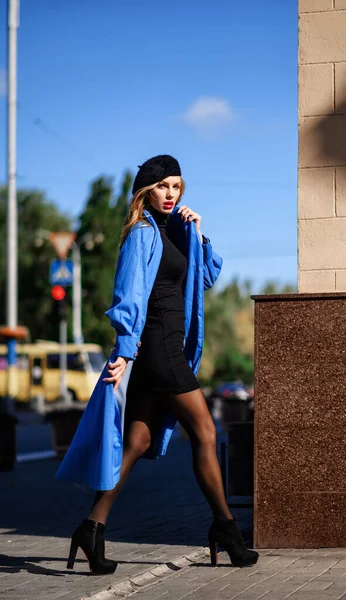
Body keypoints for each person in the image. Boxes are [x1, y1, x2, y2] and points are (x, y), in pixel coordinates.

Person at [56, 155, 258, 574]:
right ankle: (227, 528)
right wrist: (125, 351)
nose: (171, 194)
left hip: (164, 349)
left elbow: (205, 278)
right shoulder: (141, 234)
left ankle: (91, 529)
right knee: (205, 431)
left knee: (138, 443)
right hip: (157, 348)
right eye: (164, 186)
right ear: (146, 191)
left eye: (177, 187)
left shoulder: (173, 232)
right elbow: (128, 294)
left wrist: (196, 234)